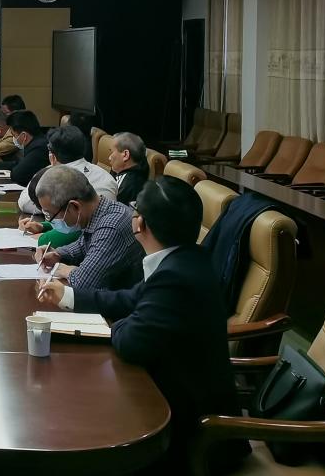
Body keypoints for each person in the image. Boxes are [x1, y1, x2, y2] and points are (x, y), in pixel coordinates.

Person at [38, 177, 246, 472]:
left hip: (189, 432)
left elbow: (131, 342)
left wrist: (121, 324)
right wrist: (68, 297)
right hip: (172, 395)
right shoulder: (186, 259)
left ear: (140, 224)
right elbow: (129, 298)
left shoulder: (175, 277)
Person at [33, 165, 143, 290]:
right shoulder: (99, 213)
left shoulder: (111, 226)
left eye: (52, 215)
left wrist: (66, 270)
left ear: (74, 207)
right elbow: (82, 246)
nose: (51, 221)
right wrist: (57, 254)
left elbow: (84, 282)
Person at [17, 125, 116, 216]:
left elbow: (25, 203)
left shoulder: (49, 177)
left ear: (52, 156)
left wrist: (52, 168)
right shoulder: (106, 176)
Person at [0, 109, 48, 185]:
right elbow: (20, 163)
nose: (13, 138)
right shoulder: (38, 141)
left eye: (14, 135)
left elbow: (17, 174)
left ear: (24, 136)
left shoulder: (39, 148)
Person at [108, 131, 151, 205]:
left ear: (125, 155)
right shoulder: (140, 166)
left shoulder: (127, 186)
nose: (109, 158)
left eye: (111, 152)